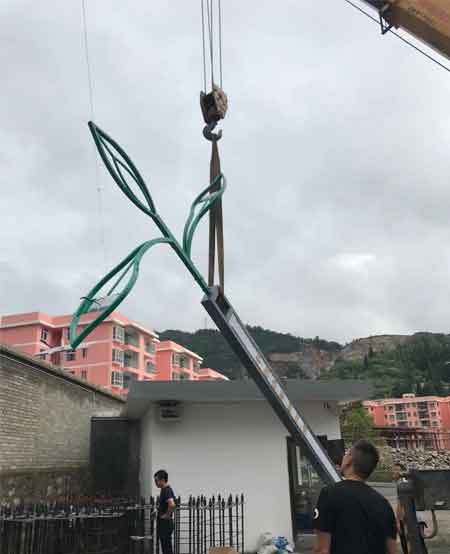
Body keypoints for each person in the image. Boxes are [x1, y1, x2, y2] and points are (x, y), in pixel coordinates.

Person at [314, 440, 397, 554]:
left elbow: (322, 550)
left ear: (349, 460)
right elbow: (392, 551)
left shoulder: (329, 493)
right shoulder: (384, 504)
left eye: (346, 454)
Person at [154, 469, 176, 554]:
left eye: (156, 480)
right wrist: (158, 511)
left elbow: (172, 505)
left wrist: (166, 515)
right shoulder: (164, 490)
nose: (155, 483)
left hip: (165, 525)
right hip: (165, 524)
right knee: (166, 548)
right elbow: (166, 505)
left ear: (162, 480)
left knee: (167, 550)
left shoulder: (166, 490)